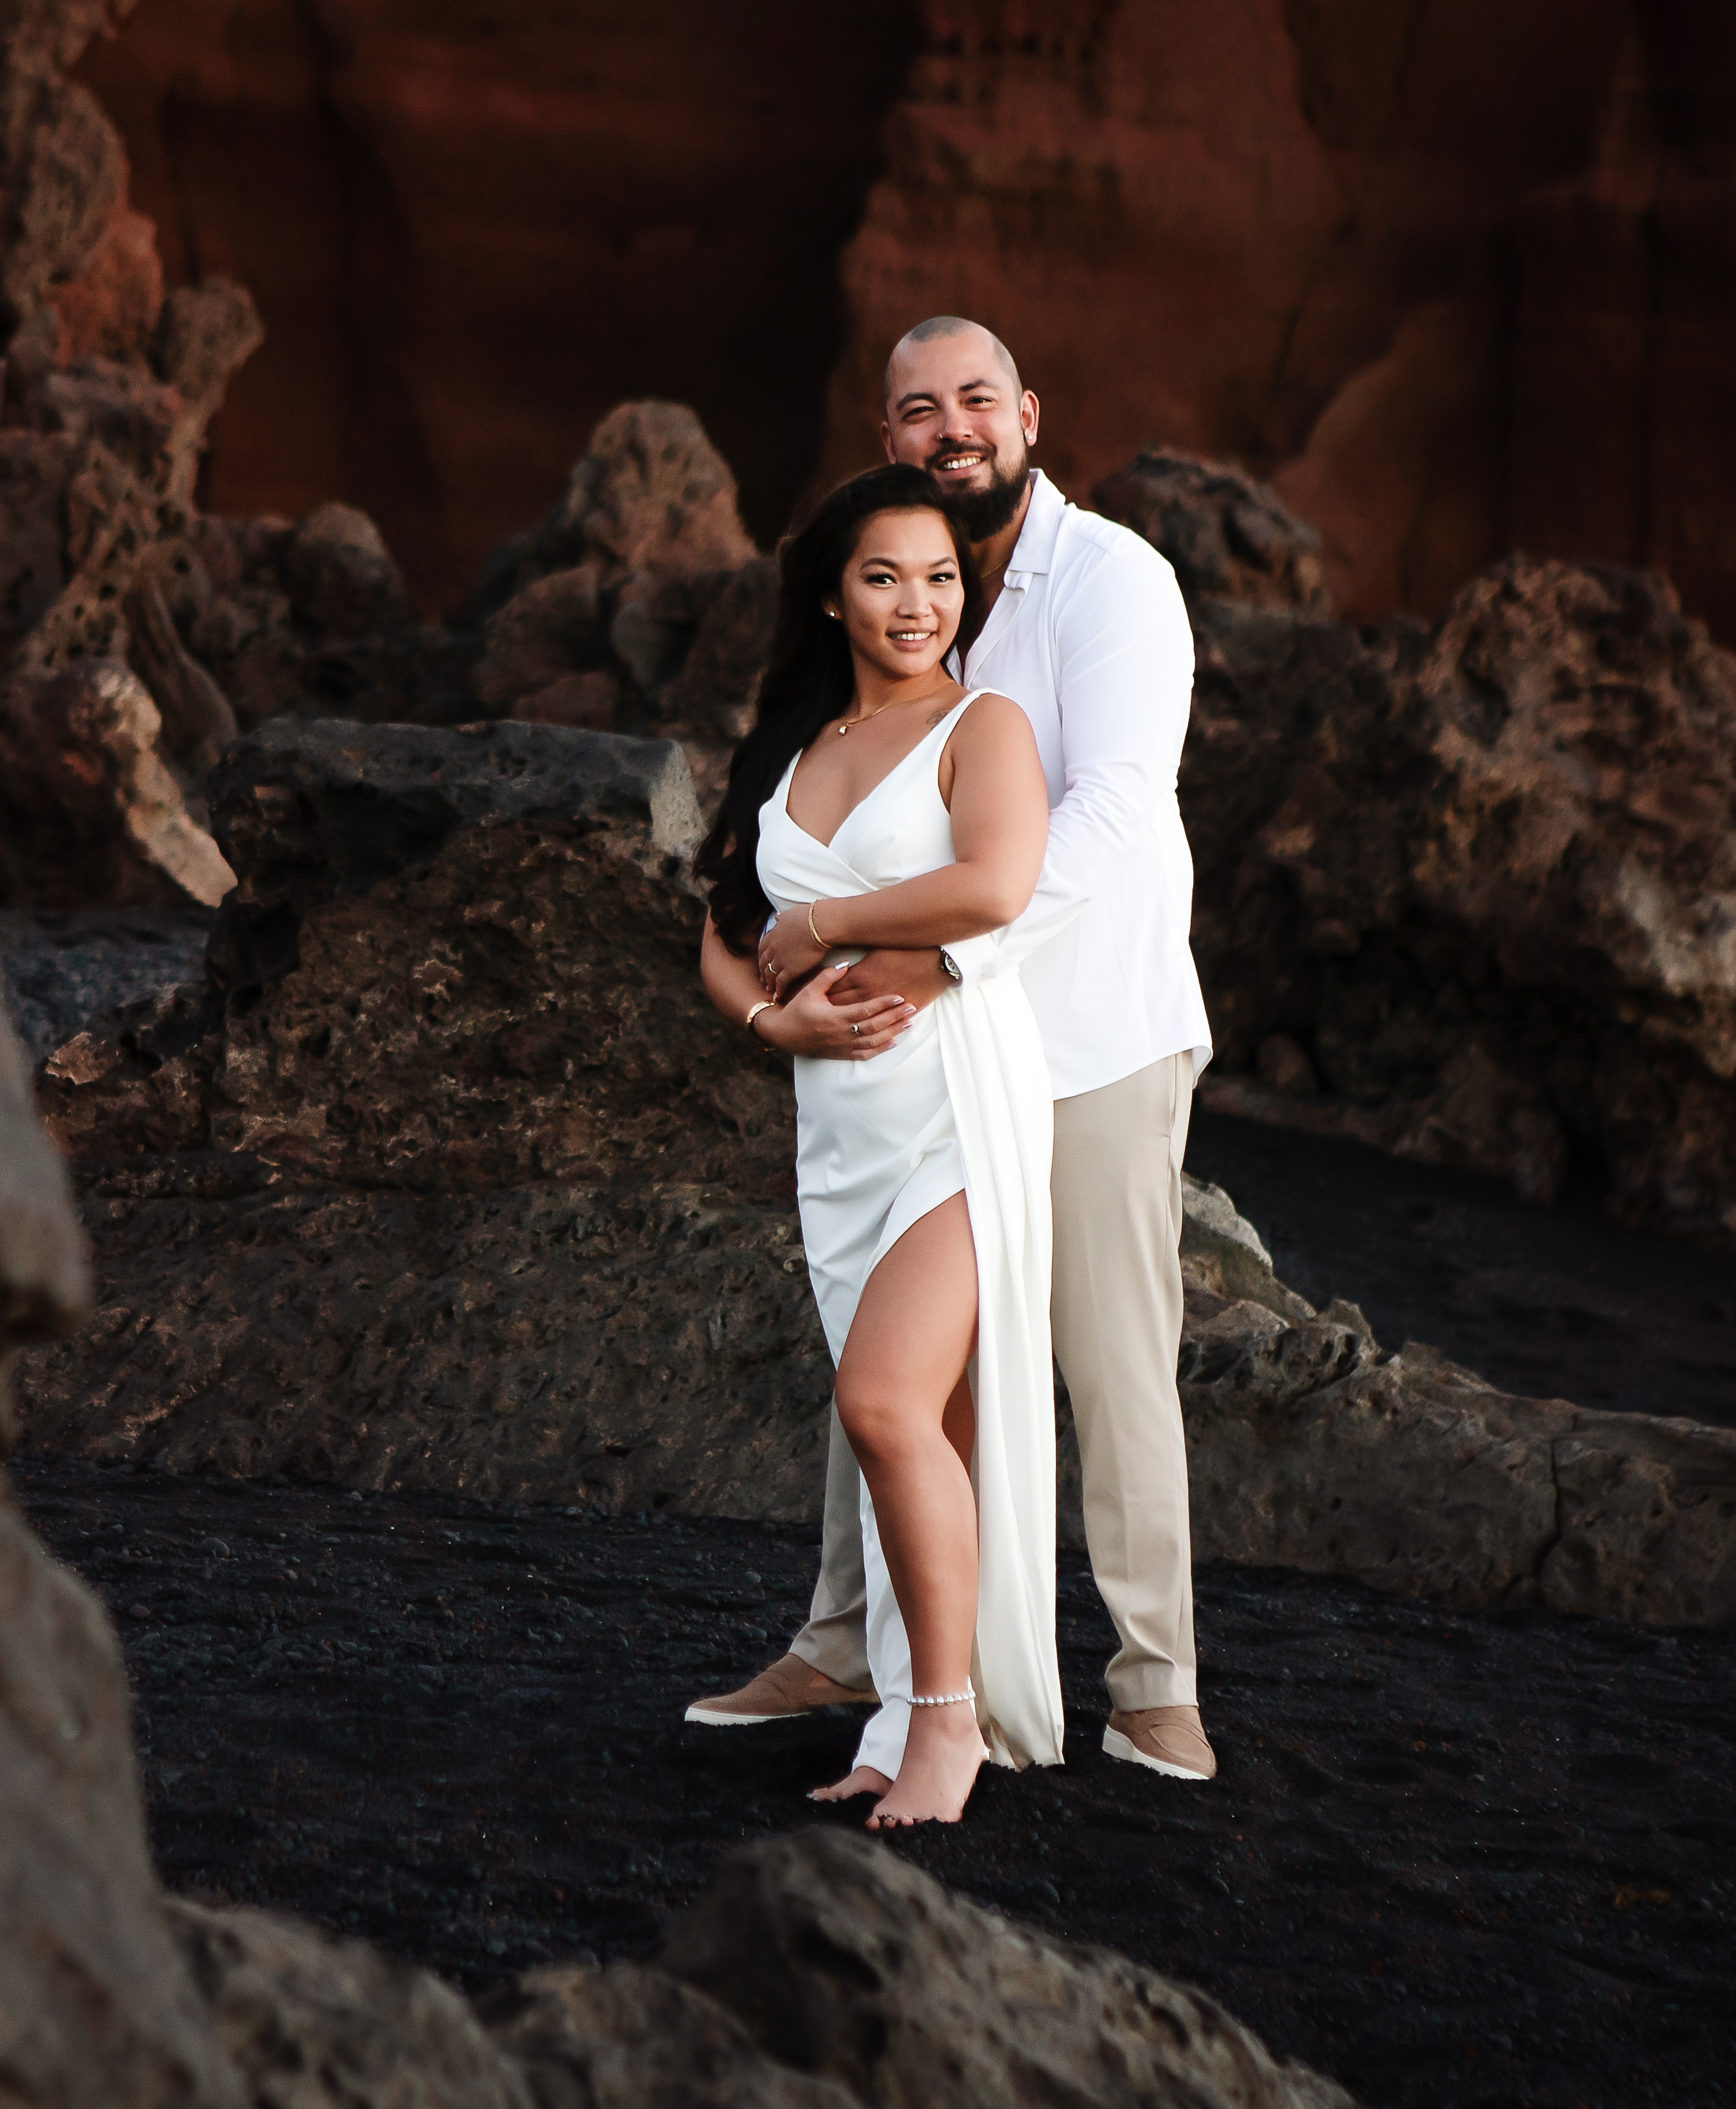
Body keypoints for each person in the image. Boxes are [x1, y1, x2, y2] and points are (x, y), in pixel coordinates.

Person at [686, 317, 1219, 1785]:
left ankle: (1154, 1680)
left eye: (978, 399)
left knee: (1111, 1363)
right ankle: (851, 1644)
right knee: (886, 1366)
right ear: (890, 436)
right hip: (916, 1064)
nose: (953, 427)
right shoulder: (909, 587)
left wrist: (930, 952)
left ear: (1030, 416)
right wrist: (785, 1001)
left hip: (1089, 1030)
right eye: (920, 410)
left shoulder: (1112, 583)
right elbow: (759, 870)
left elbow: (1108, 817)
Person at [693, 462, 1061, 1828]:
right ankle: (904, 1717)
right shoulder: (791, 740)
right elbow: (727, 933)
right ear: (833, 595)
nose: (918, 603)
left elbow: (993, 883)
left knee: (884, 1406)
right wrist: (772, 1030)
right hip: (837, 1127)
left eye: (941, 576)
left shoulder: (983, 724)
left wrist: (839, 930)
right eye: (884, 576)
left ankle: (952, 1730)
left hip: (958, 1104)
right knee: (929, 1431)